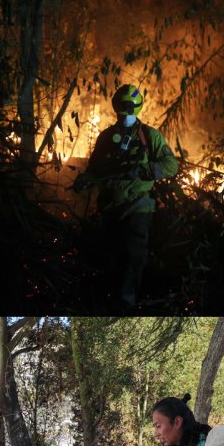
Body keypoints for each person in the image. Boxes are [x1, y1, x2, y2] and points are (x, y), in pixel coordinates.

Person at [72, 84, 179, 306]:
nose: (124, 116)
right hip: (111, 206)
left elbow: (171, 165)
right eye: (121, 111)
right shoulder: (106, 138)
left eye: (127, 111)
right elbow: (95, 169)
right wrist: (85, 180)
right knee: (113, 253)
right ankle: (113, 300)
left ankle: (128, 301)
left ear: (136, 109)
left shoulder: (150, 136)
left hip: (139, 203)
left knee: (134, 251)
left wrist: (144, 170)